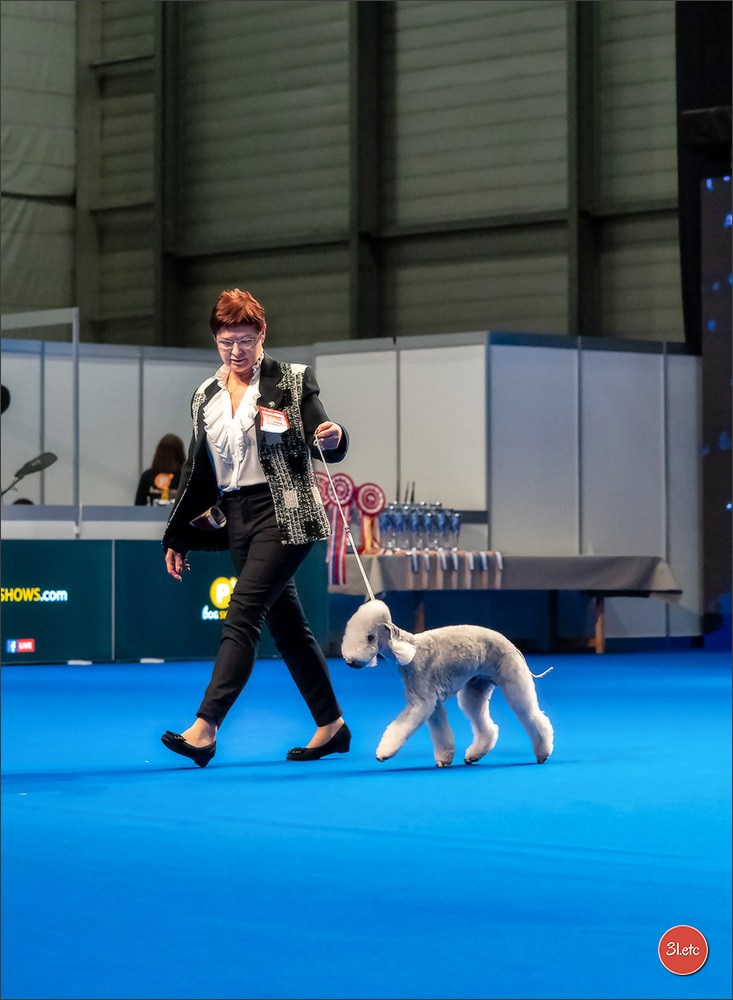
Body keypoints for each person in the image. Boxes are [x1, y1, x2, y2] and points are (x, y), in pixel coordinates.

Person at [160, 288, 350, 767]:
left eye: (245, 340)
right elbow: (196, 470)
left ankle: (205, 728)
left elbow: (324, 437)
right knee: (288, 629)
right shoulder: (204, 395)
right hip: (237, 517)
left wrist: (335, 437)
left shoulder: (292, 380)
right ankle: (332, 726)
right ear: (215, 340)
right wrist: (178, 534)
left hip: (286, 511)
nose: (236, 351)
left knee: (242, 612)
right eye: (226, 342)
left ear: (262, 334)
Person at [135, 434, 186, 505]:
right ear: (180, 454)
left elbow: (138, 506)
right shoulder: (186, 477)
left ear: (158, 453)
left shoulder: (147, 476)